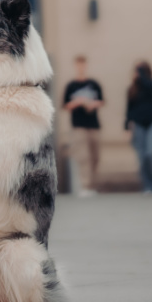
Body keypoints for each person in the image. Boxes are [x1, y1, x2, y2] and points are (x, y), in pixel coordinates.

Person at [63, 55, 104, 196]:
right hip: (78, 126)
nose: (81, 67)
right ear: (76, 66)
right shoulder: (71, 86)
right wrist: (78, 102)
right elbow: (66, 105)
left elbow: (101, 101)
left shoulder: (94, 84)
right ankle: (85, 186)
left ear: (85, 66)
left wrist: (93, 104)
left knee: (95, 156)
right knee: (83, 156)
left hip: (93, 125)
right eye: (78, 65)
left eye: (83, 65)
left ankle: (93, 186)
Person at [125, 61, 152, 195]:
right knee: (141, 157)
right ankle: (147, 185)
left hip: (151, 123)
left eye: (139, 71)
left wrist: (141, 74)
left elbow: (150, 87)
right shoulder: (131, 89)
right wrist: (126, 128)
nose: (136, 74)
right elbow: (128, 109)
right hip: (138, 125)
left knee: (151, 153)